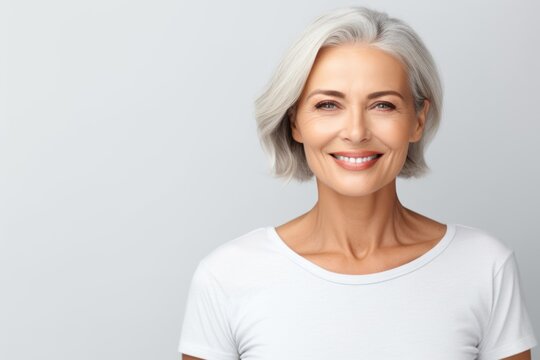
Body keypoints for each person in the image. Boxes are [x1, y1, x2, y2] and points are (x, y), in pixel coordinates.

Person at [178, 5, 538, 359]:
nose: (355, 132)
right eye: (327, 105)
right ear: (295, 122)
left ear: (417, 120)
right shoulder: (228, 276)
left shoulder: (485, 267)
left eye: (382, 105)